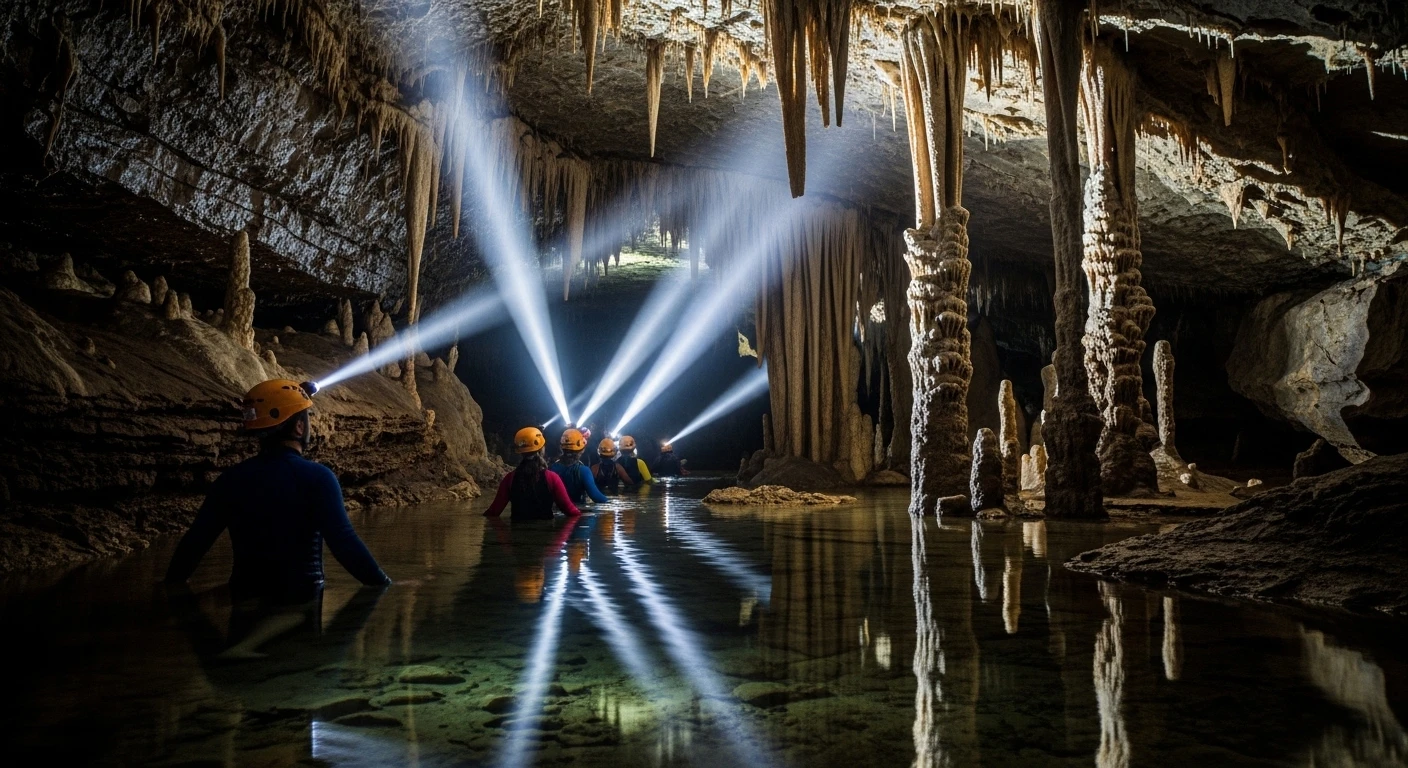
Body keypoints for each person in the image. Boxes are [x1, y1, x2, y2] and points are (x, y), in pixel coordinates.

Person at [165, 379, 392, 607]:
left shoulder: (230, 480)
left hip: (243, 601)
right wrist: (384, 585)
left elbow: (193, 545)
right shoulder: (317, 478)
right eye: (306, 418)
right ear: (299, 427)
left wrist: (174, 600)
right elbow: (345, 544)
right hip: (302, 604)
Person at [484, 427, 582, 520]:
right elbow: (570, 511)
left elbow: (493, 513)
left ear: (519, 452)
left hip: (516, 536)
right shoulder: (551, 478)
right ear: (542, 449)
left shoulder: (509, 479)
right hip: (547, 535)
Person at [549, 428, 608, 504]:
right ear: (582, 449)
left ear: (561, 447)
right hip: (578, 511)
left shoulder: (551, 469)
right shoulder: (583, 471)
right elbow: (597, 497)